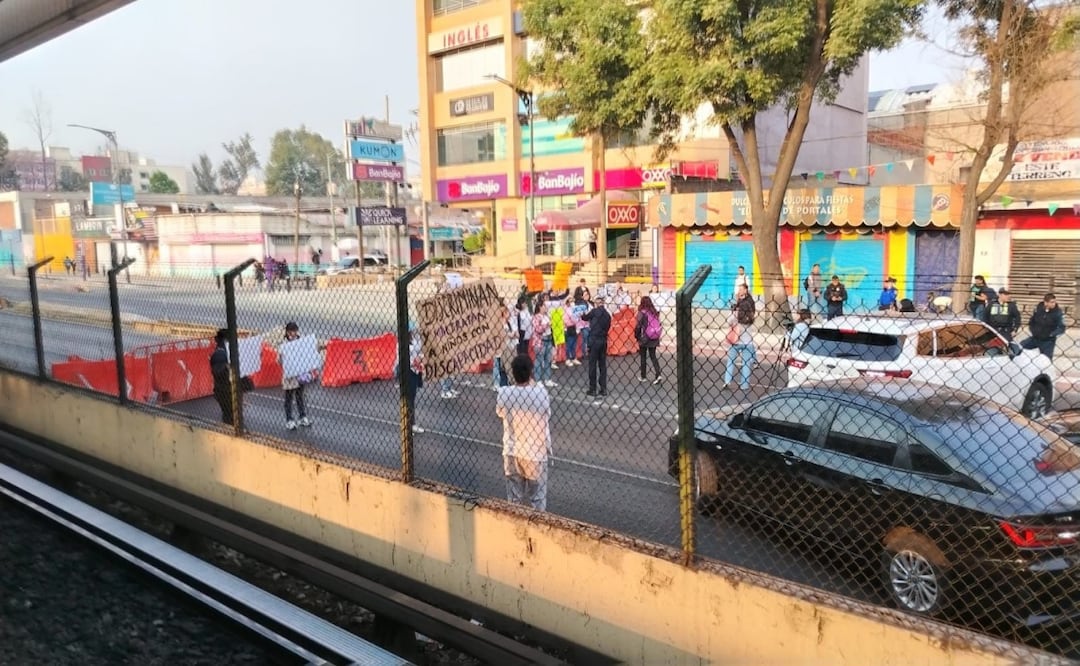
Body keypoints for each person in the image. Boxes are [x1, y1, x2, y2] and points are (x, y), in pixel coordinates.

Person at [496, 354, 552, 511]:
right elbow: (547, 414)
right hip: (535, 454)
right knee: (538, 499)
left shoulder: (504, 393)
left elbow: (500, 412)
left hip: (512, 452)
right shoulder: (541, 393)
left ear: (513, 373)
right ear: (531, 372)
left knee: (514, 499)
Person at [279, 322, 313, 430]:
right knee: (288, 397)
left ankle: (302, 416)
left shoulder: (301, 341)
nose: (293, 333)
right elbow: (279, 360)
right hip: (289, 375)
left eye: (295, 331)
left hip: (300, 373)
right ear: (287, 331)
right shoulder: (283, 343)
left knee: (300, 396)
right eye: (291, 331)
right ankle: (289, 419)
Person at [724, 284, 757, 390]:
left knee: (730, 361)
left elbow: (729, 322)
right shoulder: (751, 315)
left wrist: (734, 310)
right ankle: (744, 385)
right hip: (748, 342)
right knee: (746, 364)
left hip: (736, 341)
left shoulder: (736, 313)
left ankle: (727, 381)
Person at [581, 295, 612, 400]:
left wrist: (582, 313)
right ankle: (603, 388)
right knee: (602, 365)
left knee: (592, 364)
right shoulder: (608, 315)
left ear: (597, 303)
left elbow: (584, 318)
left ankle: (592, 388)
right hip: (603, 340)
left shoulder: (594, 312)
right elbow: (608, 327)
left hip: (594, 340)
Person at [1020, 293, 1066, 359]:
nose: (1054, 304)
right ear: (1046, 302)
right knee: (1020, 346)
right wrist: (1033, 330)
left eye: (1054, 302)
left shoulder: (1058, 312)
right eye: (1052, 302)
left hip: (1048, 341)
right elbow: (1032, 321)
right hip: (1035, 338)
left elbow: (1062, 328)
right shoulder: (1038, 309)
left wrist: (1051, 334)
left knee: (1046, 359)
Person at [635, 296, 662, 384]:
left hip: (645, 337)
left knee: (643, 357)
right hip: (654, 336)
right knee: (653, 356)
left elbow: (638, 326)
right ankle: (658, 374)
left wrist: (637, 337)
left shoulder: (641, 313)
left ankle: (643, 376)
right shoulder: (654, 312)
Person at [209, 329, 234, 425]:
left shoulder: (218, 352)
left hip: (221, 389)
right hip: (225, 389)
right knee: (230, 415)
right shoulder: (222, 354)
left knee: (228, 414)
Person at [531, 301, 556, 387]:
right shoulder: (536, 317)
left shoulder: (547, 316)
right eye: (544, 306)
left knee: (548, 360)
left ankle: (547, 379)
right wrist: (546, 325)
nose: (546, 308)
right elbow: (537, 329)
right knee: (539, 360)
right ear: (540, 307)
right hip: (540, 341)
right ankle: (538, 380)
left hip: (548, 339)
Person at [563, 295, 580, 367]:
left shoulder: (573, 308)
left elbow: (577, 317)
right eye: (570, 301)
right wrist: (575, 319)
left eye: (572, 301)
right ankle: (567, 359)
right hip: (568, 328)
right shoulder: (566, 309)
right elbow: (572, 317)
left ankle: (573, 358)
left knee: (574, 344)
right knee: (568, 344)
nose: (572, 302)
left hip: (574, 327)